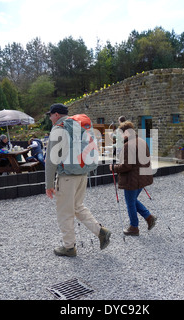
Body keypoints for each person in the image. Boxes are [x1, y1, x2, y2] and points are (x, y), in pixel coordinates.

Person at [45, 103, 111, 257]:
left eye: (50, 115)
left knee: (64, 213)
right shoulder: (78, 125)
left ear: (56, 115)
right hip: (83, 174)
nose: (49, 118)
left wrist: (49, 184)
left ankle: (69, 247)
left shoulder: (59, 128)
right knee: (77, 207)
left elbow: (51, 159)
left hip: (67, 177)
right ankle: (101, 231)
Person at [109, 121, 156, 236]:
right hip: (142, 177)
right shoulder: (141, 141)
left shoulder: (128, 145)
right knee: (133, 200)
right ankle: (149, 217)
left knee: (130, 203)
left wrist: (113, 168)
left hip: (132, 179)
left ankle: (134, 227)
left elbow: (126, 166)